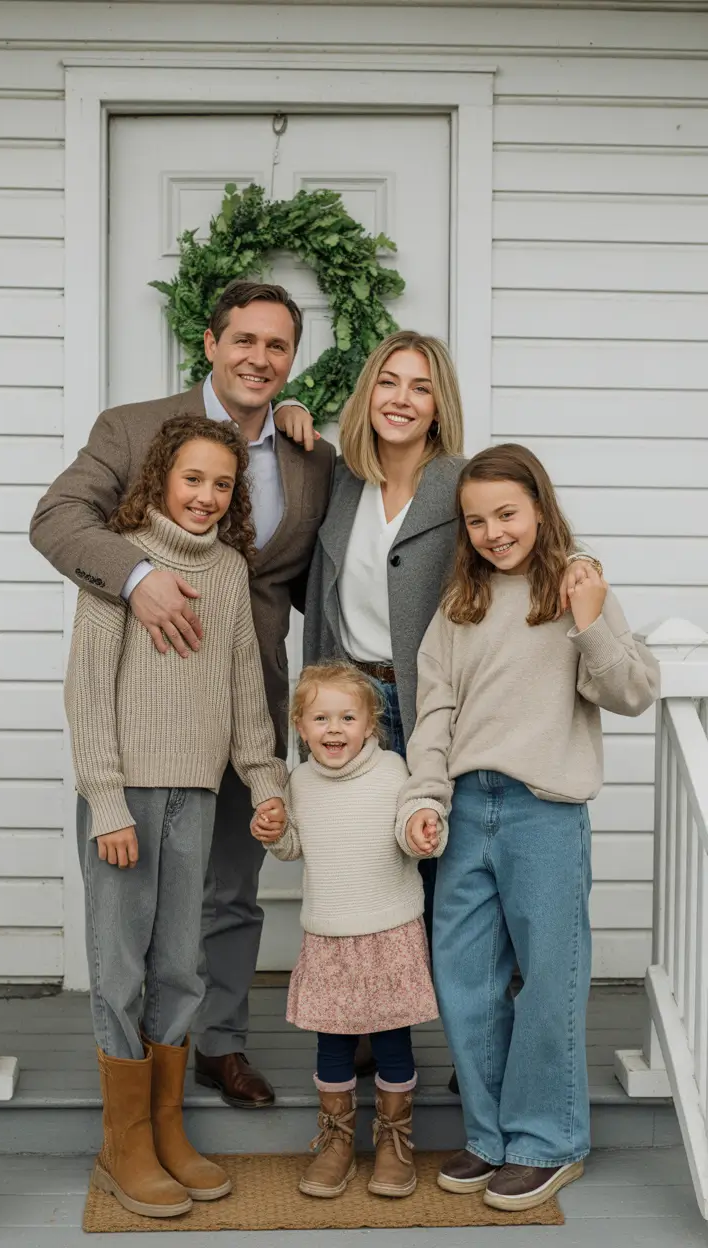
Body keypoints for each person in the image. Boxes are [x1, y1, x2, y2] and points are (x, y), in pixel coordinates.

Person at [32, 280, 334, 1108]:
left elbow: (329, 575)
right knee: (134, 918)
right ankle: (135, 1095)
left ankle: (221, 1045)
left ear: (291, 359)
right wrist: (137, 580)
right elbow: (56, 517)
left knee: (232, 885)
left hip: (249, 696)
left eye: (277, 346)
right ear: (210, 342)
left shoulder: (312, 454)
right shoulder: (133, 428)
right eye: (244, 341)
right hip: (142, 706)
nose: (258, 358)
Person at [286, 331, 603, 1079]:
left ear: (439, 406)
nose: (401, 399)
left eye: (420, 387)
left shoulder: (459, 485)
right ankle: (364, 1028)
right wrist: (293, 407)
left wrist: (582, 563)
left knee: (454, 881)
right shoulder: (339, 482)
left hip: (434, 703)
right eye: (388, 382)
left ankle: (481, 1048)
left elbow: (524, 542)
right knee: (359, 870)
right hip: (352, 704)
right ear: (367, 396)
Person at [398, 444, 660, 1212]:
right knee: (464, 979)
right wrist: (424, 797)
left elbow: (633, 691)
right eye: (476, 520)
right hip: (465, 810)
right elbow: (436, 710)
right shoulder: (461, 603)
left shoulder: (579, 587)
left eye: (506, 514)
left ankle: (548, 1141)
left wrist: (589, 623)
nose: (492, 531)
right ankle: (490, 1135)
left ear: (539, 508)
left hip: (544, 812)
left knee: (548, 981)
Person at [66, 415, 288, 1218]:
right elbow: (87, 693)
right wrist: (106, 800)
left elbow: (241, 692)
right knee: (121, 968)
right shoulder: (119, 563)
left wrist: (266, 782)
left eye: (222, 484)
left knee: (180, 966)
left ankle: (166, 1129)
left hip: (196, 794)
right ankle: (122, 1145)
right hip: (124, 799)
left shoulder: (228, 571)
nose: (205, 495)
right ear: (161, 477)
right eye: (192, 478)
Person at [252, 662, 442, 1201]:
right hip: (330, 936)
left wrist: (421, 830)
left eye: (347, 717)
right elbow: (293, 848)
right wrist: (274, 832)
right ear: (301, 727)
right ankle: (337, 1140)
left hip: (389, 931)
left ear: (370, 724)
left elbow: (410, 827)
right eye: (320, 718)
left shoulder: (392, 772)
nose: (334, 729)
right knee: (332, 1044)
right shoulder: (299, 783)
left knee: (391, 1040)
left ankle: (393, 1138)